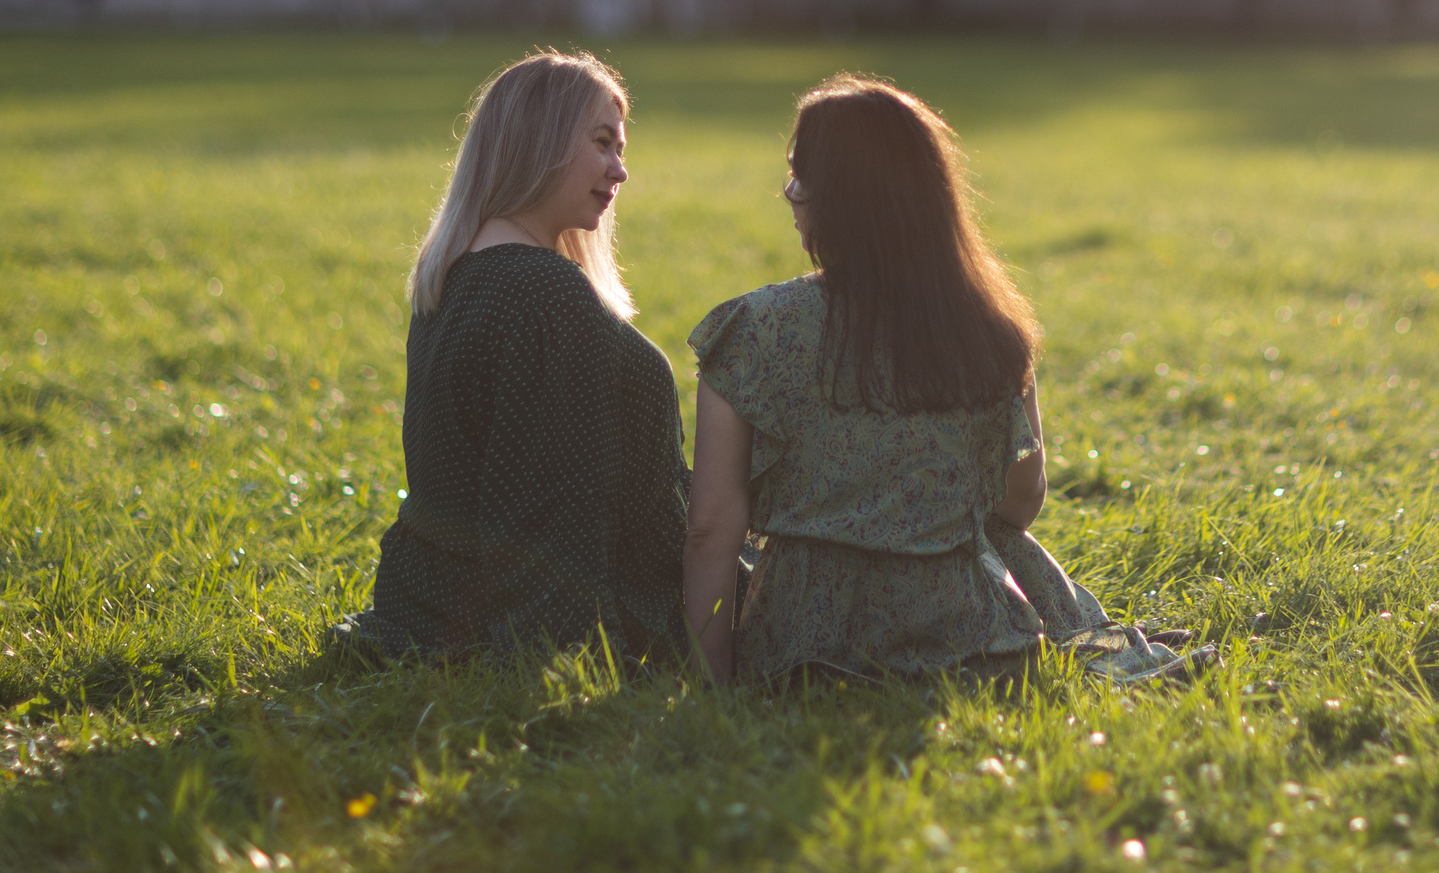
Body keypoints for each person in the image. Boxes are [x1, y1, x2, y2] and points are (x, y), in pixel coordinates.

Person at [682, 74, 1186, 686]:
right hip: (969, 641)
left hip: (801, 651)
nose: (790, 193)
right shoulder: (989, 334)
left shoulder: (752, 329)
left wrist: (713, 685)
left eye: (800, 174)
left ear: (836, 195)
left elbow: (711, 524)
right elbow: (1020, 498)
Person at [334, 49, 688, 662]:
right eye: (603, 143)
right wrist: (572, 654)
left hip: (429, 598)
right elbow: (554, 510)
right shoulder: (541, 293)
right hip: (556, 611)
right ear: (540, 143)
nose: (620, 170)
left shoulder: (454, 274)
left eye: (621, 149)